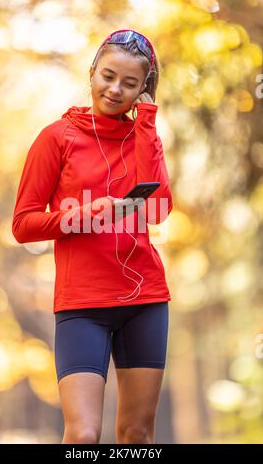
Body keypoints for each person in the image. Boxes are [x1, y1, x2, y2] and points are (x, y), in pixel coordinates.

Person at [12, 28, 173, 444]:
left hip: (145, 299)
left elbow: (160, 208)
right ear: (92, 73)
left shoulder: (144, 135)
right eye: (108, 76)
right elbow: (23, 224)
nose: (116, 89)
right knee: (83, 435)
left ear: (144, 91)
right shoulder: (56, 137)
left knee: (136, 435)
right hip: (82, 303)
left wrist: (148, 124)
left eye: (130, 83)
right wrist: (87, 214)